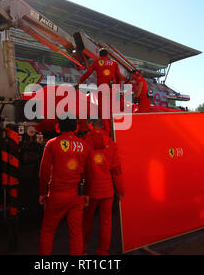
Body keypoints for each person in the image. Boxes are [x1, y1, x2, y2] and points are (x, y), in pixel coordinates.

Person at [38, 116, 91, 254]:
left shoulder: (52, 144)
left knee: (48, 231)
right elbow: (88, 173)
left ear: (57, 127)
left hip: (56, 195)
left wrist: (42, 192)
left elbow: (43, 171)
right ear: (76, 127)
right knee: (76, 233)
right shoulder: (84, 145)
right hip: (76, 196)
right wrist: (86, 194)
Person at [82, 119, 124, 255]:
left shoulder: (84, 142)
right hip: (107, 190)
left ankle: (82, 249)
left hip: (90, 189)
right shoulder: (111, 144)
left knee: (86, 221)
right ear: (102, 126)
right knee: (106, 222)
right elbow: (117, 171)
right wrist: (120, 190)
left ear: (91, 126)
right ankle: (102, 251)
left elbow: (81, 168)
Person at [77, 48, 124, 122]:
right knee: (112, 108)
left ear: (99, 55)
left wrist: (80, 81)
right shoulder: (114, 63)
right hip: (112, 88)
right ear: (107, 55)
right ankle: (113, 128)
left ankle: (105, 127)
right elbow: (118, 77)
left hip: (102, 88)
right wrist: (118, 88)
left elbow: (88, 73)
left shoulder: (97, 62)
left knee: (103, 109)